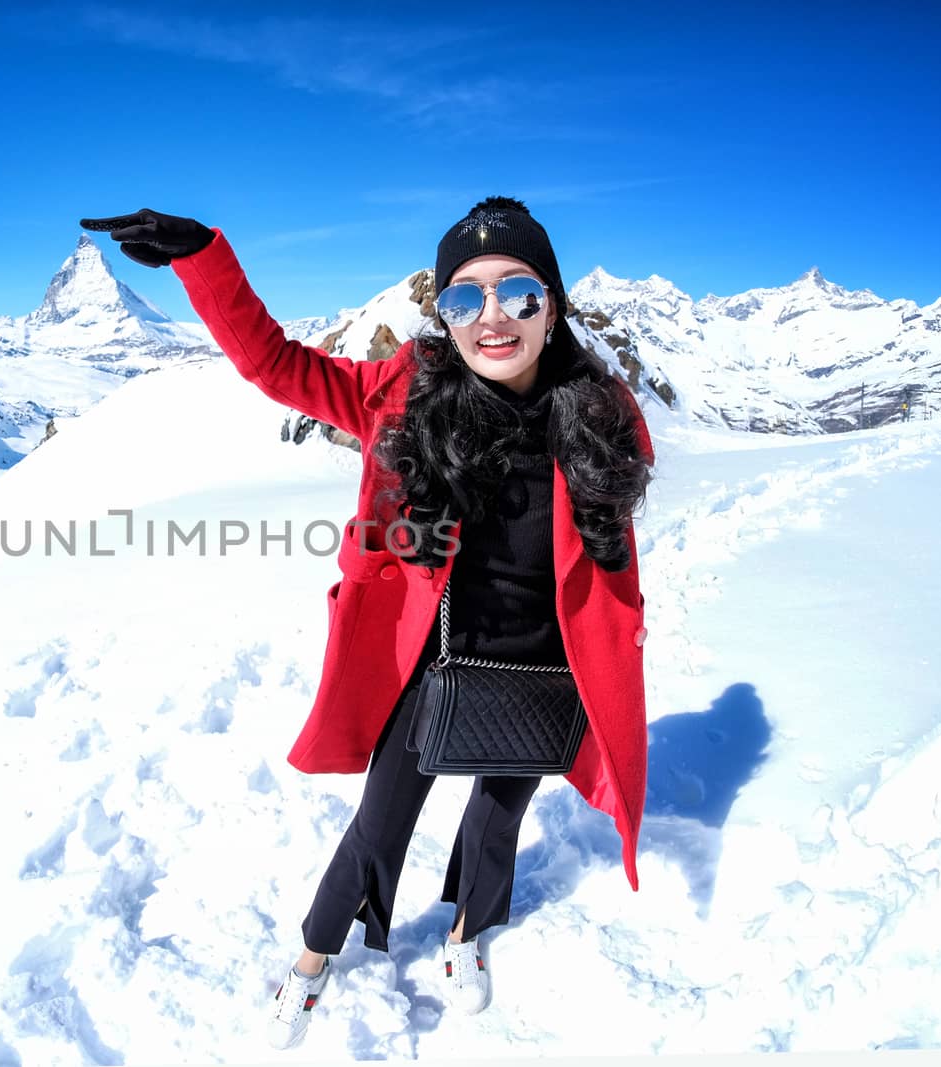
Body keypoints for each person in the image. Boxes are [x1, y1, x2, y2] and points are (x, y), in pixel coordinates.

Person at [81, 198, 654, 1050]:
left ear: (552, 303)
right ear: (444, 314)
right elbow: (279, 365)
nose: (491, 316)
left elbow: (610, 562)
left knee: (499, 819)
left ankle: (466, 937)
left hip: (550, 664)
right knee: (380, 823)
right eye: (465, 298)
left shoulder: (600, 415)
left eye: (517, 292)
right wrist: (205, 257)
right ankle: (312, 961)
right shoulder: (405, 394)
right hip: (433, 657)